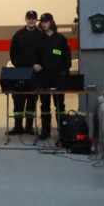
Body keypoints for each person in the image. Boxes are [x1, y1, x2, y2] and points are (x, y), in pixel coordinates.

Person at [33, 12, 71, 140]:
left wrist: (66, 71)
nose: (44, 24)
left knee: (60, 104)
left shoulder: (60, 39)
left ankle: (63, 129)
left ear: (51, 22)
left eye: (46, 22)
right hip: (43, 77)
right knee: (44, 105)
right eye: (42, 22)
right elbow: (35, 56)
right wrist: (35, 65)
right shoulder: (39, 39)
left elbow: (67, 57)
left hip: (58, 77)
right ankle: (45, 130)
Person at [7, 10, 43, 135]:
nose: (31, 20)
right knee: (18, 100)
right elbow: (13, 54)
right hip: (20, 73)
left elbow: (44, 54)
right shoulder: (18, 35)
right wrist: (21, 65)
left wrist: (39, 65)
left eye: (34, 18)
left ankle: (29, 127)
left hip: (35, 74)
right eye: (29, 18)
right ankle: (18, 127)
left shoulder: (40, 35)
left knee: (32, 101)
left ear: (36, 20)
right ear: (25, 19)